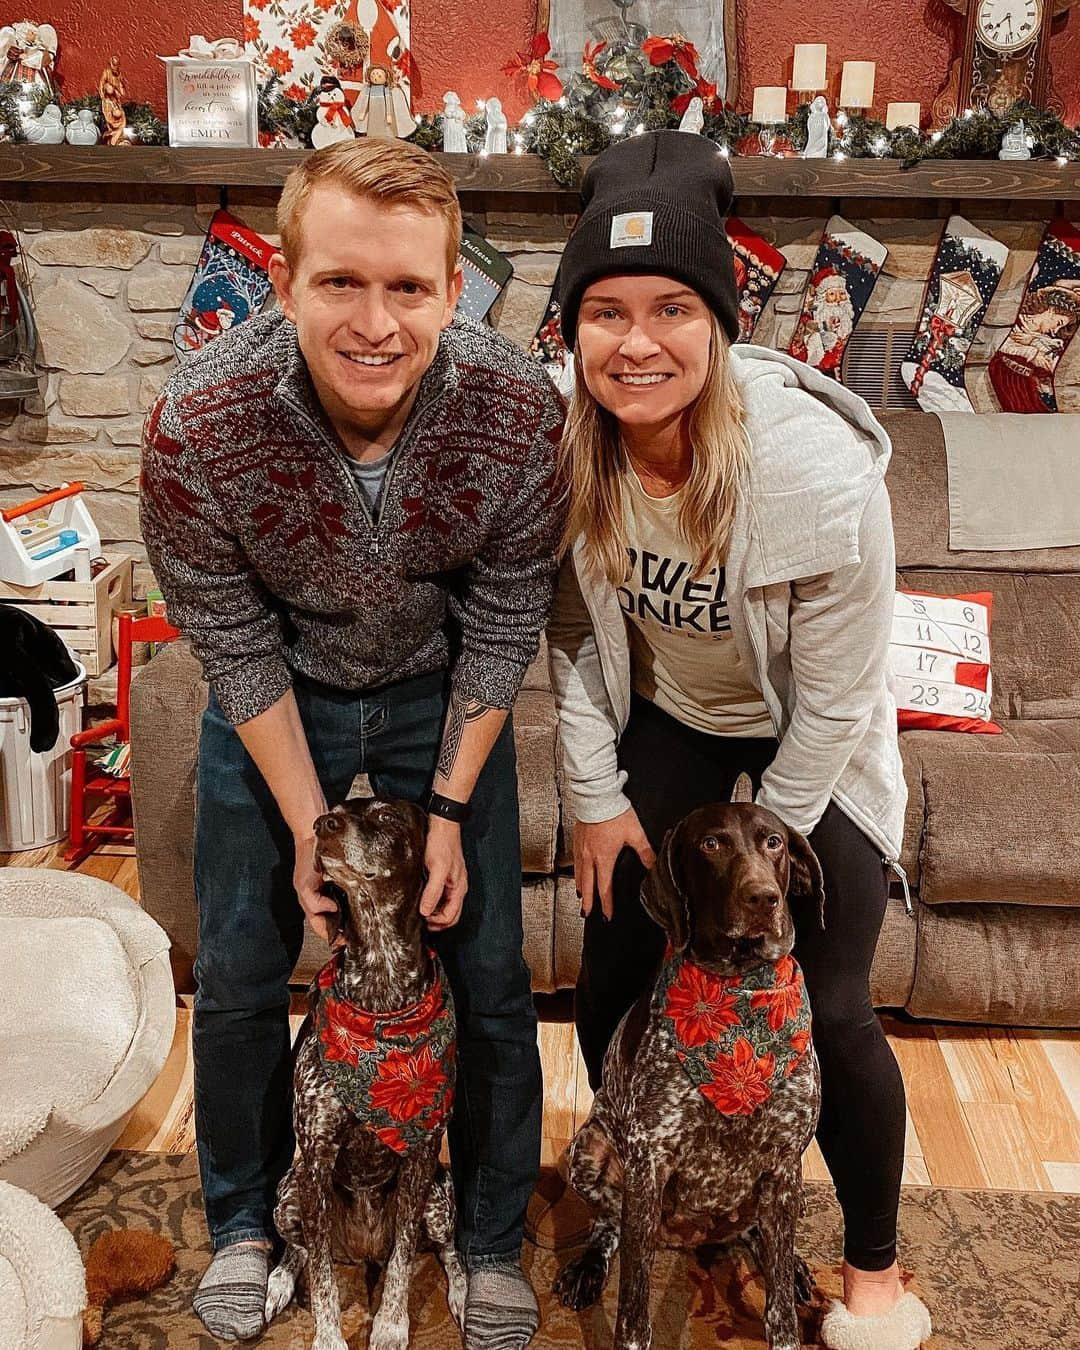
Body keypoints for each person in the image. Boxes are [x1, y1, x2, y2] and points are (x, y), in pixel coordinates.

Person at [140, 137, 565, 1347]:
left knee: (487, 974)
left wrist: (447, 807)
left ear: (454, 290)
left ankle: (484, 1241)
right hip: (279, 690)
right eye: (341, 282)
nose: (375, 321)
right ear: (283, 280)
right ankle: (246, 1228)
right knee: (235, 974)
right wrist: (307, 832)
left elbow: (506, 613)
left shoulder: (514, 408)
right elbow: (227, 637)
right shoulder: (199, 425)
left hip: (444, 690)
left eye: (409, 288)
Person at [545, 130, 932, 1350]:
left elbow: (832, 701)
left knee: (822, 999)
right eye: (604, 312)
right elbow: (562, 637)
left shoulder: (813, 467)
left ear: (719, 321)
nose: (637, 342)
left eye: (672, 308)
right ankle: (642, 1185)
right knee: (612, 966)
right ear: (572, 331)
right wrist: (600, 799)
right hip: (673, 720)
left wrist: (765, 859)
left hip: (811, 741)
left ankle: (872, 1269)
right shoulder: (567, 446)